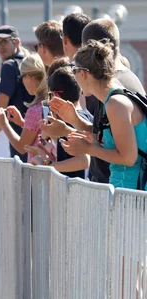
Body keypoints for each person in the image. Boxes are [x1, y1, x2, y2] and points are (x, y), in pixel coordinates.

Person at [61, 40, 147, 190]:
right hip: (126, 191)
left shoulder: (116, 104)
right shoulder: (112, 99)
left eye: (74, 70)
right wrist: (93, 142)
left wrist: (89, 149)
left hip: (132, 195)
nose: (74, 77)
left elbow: (128, 158)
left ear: (84, 73)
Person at [30, 65, 92, 177]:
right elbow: (67, 155)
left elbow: (84, 161)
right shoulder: (87, 117)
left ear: (55, 95)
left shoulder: (68, 122)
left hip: (75, 190)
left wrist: (46, 165)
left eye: (50, 96)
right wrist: (51, 139)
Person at [0, 25, 32, 161]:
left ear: (16, 42)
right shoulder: (31, 62)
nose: (0, 47)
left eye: (4, 42)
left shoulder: (9, 66)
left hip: (20, 138)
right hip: (36, 137)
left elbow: (0, 109)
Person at [0, 54, 50, 162]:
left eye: (21, 77)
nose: (22, 81)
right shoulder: (48, 103)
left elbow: (22, 147)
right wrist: (22, 122)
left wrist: (4, 124)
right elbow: (39, 133)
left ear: (28, 77)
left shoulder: (34, 110)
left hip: (38, 168)